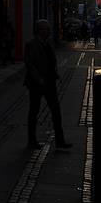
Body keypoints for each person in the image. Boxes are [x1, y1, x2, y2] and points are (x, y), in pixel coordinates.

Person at [24, 19, 72, 150]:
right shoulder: (31, 44)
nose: (48, 31)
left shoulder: (48, 44)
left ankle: (60, 140)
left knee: (56, 111)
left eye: (48, 28)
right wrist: (39, 79)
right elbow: (30, 64)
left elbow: (51, 61)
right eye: (45, 29)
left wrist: (54, 74)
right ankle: (31, 141)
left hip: (49, 83)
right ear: (38, 31)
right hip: (36, 84)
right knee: (34, 111)